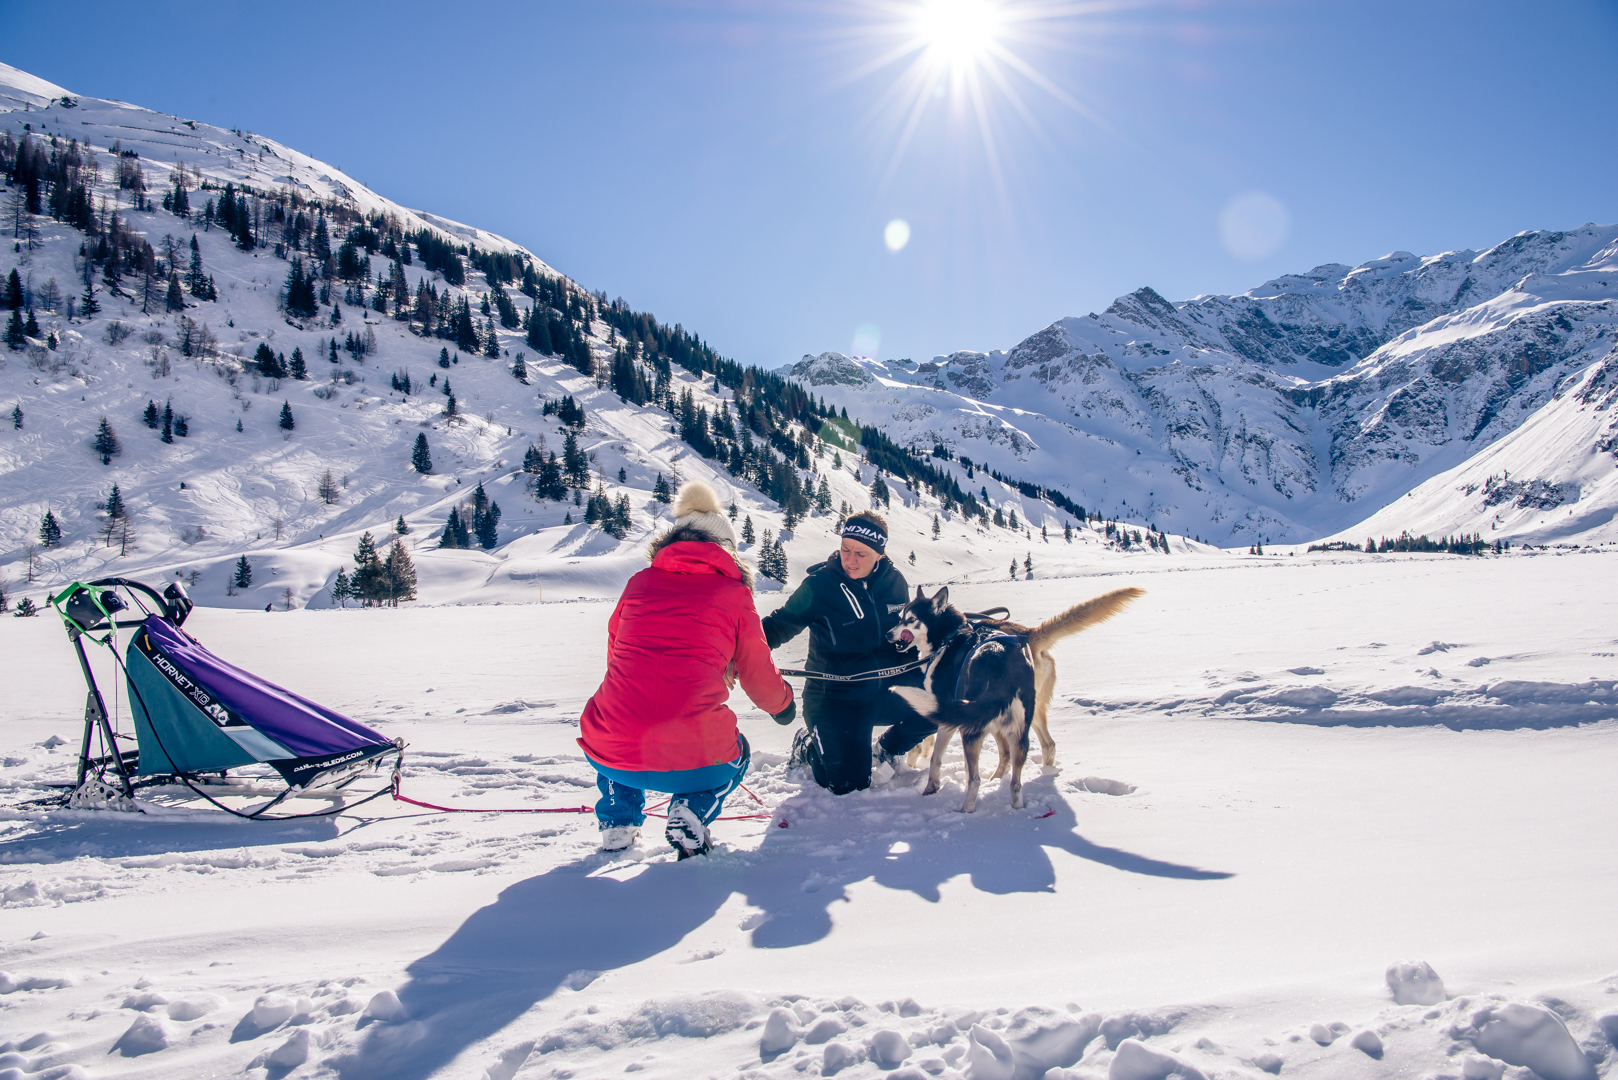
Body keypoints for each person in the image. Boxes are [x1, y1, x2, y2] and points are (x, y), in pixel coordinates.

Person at [578, 481, 795, 858]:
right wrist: (783, 706)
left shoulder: (639, 583)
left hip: (611, 745)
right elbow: (758, 674)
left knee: (619, 729)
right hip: (694, 755)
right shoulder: (734, 596)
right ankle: (691, 812)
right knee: (737, 752)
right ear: (726, 551)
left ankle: (618, 823)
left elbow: (617, 658)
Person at [761, 510, 934, 794]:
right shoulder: (819, 586)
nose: (850, 560)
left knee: (944, 699)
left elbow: (909, 632)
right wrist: (735, 652)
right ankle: (807, 745)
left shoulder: (895, 582)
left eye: (861, 554)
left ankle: (889, 748)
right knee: (847, 785)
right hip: (834, 698)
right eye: (845, 549)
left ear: (879, 554)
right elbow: (778, 625)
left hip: (885, 690)